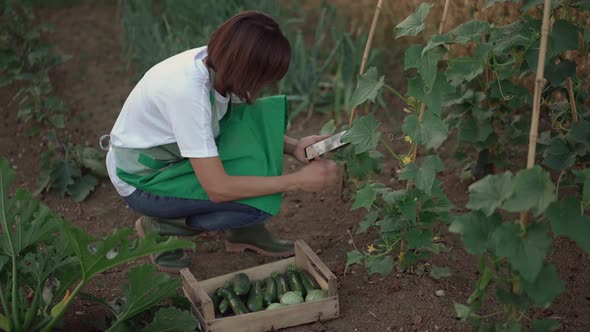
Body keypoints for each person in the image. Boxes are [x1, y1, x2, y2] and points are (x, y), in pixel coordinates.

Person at [105, 11, 339, 272]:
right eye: (263, 79)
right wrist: (297, 181)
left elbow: (239, 126)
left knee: (258, 156)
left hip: (175, 157)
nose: (263, 87)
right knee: (254, 201)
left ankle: (243, 233)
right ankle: (161, 227)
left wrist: (295, 146)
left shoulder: (222, 62)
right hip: (144, 179)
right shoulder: (188, 93)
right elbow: (218, 188)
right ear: (246, 70)